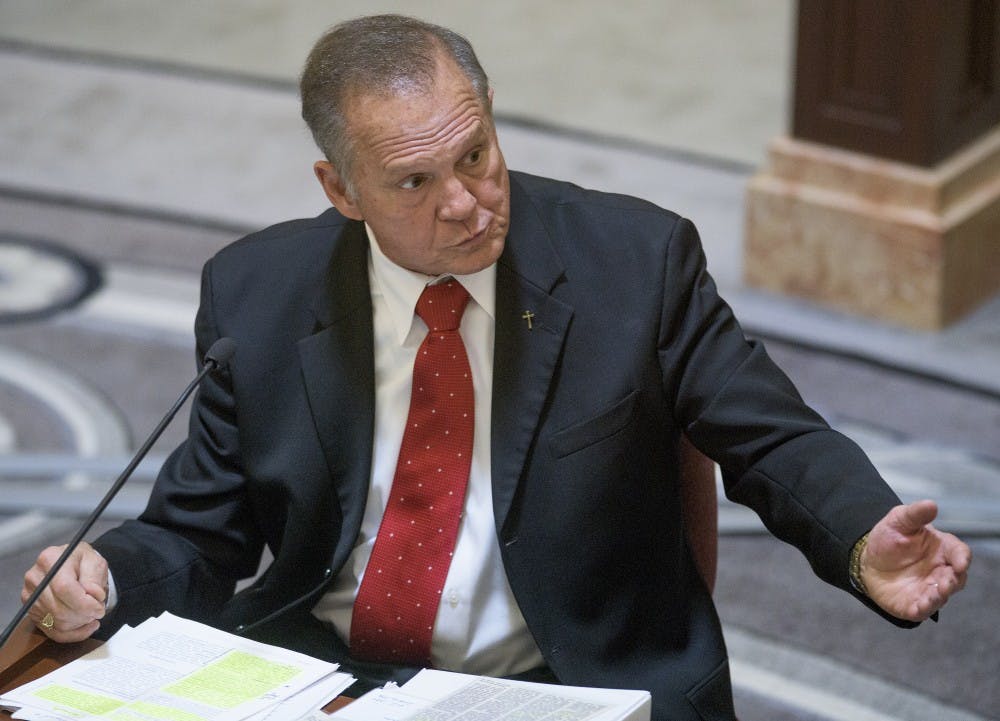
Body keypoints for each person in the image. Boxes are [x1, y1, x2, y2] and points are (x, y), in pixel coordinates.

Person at [22, 14, 970, 721]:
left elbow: (771, 435)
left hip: (568, 681)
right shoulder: (257, 293)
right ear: (341, 189)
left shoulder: (633, 264)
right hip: (325, 675)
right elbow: (199, 533)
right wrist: (105, 576)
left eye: (476, 154)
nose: (468, 202)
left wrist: (862, 536)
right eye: (415, 182)